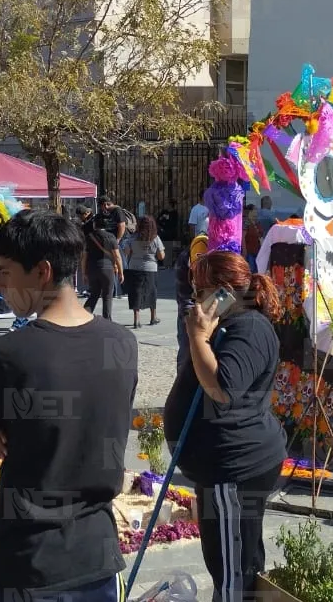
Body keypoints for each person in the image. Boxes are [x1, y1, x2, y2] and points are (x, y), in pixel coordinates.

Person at [0, 210, 137, 602]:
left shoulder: (8, 353)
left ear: (41, 271)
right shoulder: (121, 343)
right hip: (99, 560)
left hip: (25, 561)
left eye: (6, 273)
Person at [164, 250, 287, 602]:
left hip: (235, 467)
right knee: (235, 558)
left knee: (233, 569)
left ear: (223, 293)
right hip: (220, 466)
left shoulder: (249, 328)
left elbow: (223, 389)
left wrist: (198, 338)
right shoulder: (231, 323)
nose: (193, 299)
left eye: (199, 290)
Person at [174, 235, 210, 373]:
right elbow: (184, 297)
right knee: (186, 353)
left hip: (212, 309)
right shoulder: (183, 260)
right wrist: (193, 323)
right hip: (190, 312)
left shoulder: (218, 256)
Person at [124, 216, 165, 329]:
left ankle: (136, 320)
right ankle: (153, 317)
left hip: (134, 267)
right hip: (150, 268)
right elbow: (161, 256)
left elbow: (126, 252)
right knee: (152, 292)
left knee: (135, 292)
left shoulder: (132, 238)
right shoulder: (155, 238)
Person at [82, 217, 122, 321]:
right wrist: (121, 272)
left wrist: (84, 273)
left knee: (94, 294)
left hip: (92, 269)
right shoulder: (111, 237)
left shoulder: (89, 237)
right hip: (107, 268)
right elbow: (117, 256)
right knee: (107, 296)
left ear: (95, 225)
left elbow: (84, 257)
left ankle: (84, 316)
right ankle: (107, 320)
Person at [241, 205, 261, 272]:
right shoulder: (246, 223)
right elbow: (243, 237)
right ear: (250, 211)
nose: (257, 211)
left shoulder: (257, 222)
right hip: (249, 252)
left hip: (257, 251)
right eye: (255, 209)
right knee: (251, 270)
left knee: (257, 270)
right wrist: (244, 251)